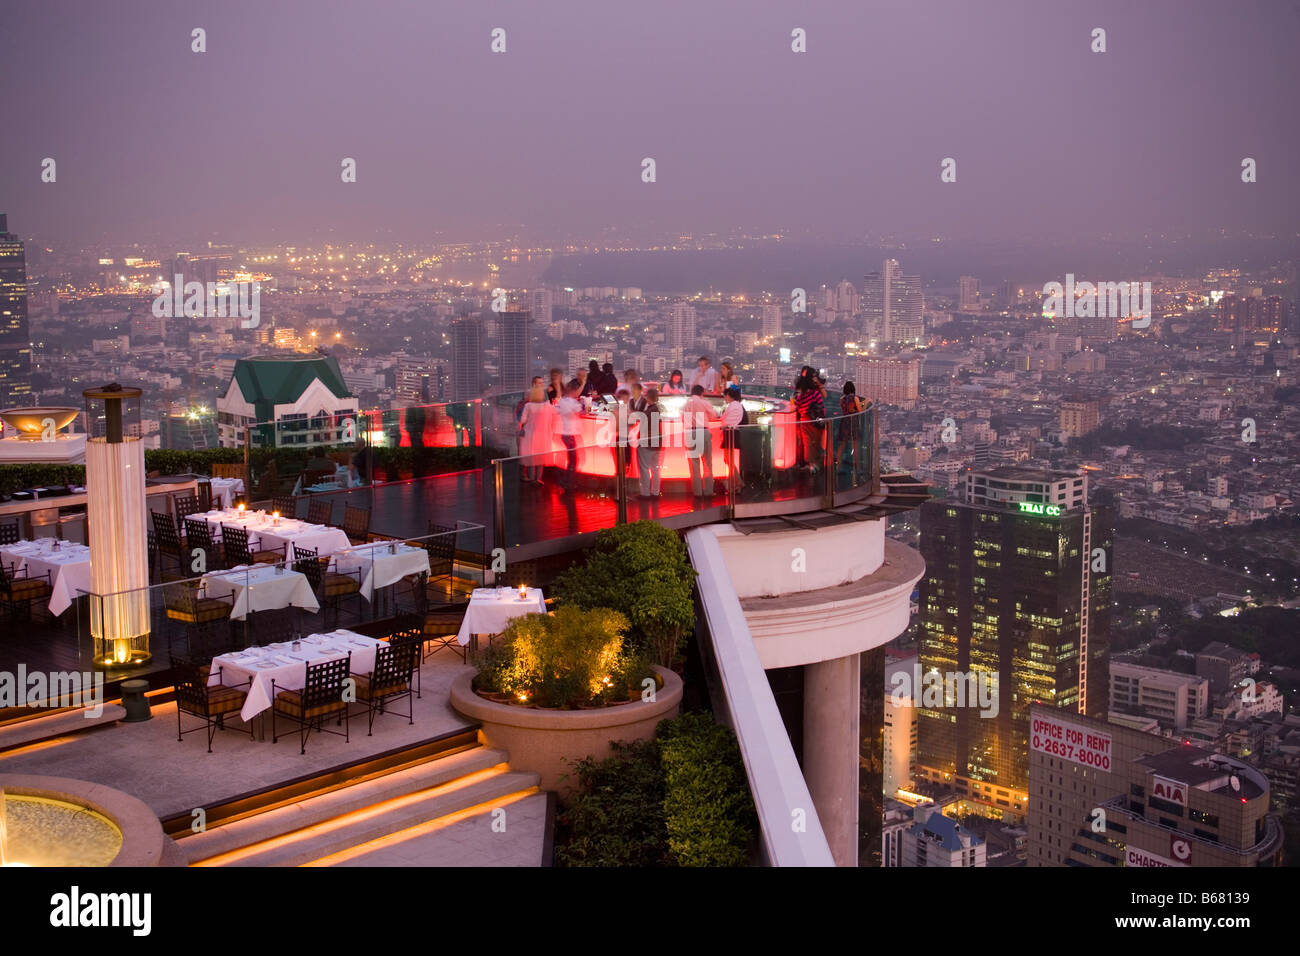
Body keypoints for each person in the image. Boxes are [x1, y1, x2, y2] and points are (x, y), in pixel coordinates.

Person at [683, 384, 718, 498]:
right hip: (703, 432)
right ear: (702, 393)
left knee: (694, 464)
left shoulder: (686, 404)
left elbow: (683, 419)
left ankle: (697, 492)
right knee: (707, 463)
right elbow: (714, 415)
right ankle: (708, 491)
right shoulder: (704, 403)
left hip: (690, 433)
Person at [518, 383, 555, 483]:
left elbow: (522, 420)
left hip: (530, 435)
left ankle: (531, 478)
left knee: (531, 459)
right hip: (543, 435)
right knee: (540, 460)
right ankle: (538, 479)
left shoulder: (528, 406)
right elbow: (556, 412)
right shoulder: (547, 406)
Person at [555, 379, 583, 493]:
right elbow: (579, 412)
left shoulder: (563, 401)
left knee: (572, 459)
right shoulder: (572, 402)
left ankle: (568, 481)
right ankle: (569, 482)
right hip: (570, 434)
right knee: (573, 460)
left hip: (565, 433)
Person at [794, 373, 825, 472]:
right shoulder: (815, 394)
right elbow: (822, 408)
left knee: (807, 445)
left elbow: (798, 408)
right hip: (815, 422)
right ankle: (818, 464)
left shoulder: (800, 397)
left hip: (804, 422)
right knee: (817, 444)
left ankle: (811, 465)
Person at [636, 386, 664, 498]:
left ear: (648, 397)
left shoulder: (650, 410)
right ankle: (655, 492)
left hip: (646, 443)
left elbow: (638, 417)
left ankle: (645, 493)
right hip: (656, 444)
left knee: (644, 468)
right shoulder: (657, 408)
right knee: (655, 469)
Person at [835, 380, 865, 477]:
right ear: (853, 389)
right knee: (855, 447)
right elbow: (860, 411)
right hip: (853, 422)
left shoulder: (841, 399)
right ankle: (858, 469)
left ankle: (838, 468)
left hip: (844, 422)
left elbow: (845, 410)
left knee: (841, 446)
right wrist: (864, 404)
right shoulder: (855, 398)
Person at [720, 384, 747, 487]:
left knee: (728, 459)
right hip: (732, 433)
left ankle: (738, 482)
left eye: (725, 396)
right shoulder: (737, 405)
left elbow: (727, 421)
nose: (724, 398)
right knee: (728, 459)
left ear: (728, 395)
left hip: (730, 433)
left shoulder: (733, 405)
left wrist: (723, 425)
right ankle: (736, 482)